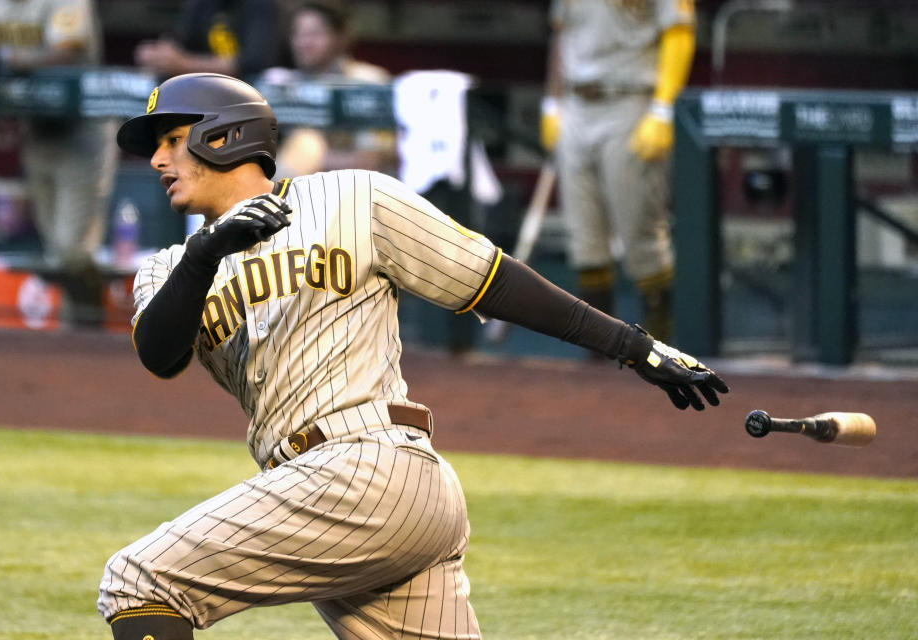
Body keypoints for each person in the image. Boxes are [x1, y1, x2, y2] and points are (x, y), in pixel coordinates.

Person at [97, 72, 728, 640]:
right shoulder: (170, 270)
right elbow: (160, 353)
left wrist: (633, 346)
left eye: (171, 139)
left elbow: (494, 280)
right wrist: (208, 251)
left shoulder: (354, 198)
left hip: (368, 467)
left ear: (223, 136)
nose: (156, 159)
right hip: (351, 492)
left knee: (138, 581)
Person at [541, 0, 696, 342]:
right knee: (584, 238)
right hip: (576, 106)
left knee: (640, 232)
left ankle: (661, 346)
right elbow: (562, 36)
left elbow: (679, 31)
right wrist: (551, 102)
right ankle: (597, 350)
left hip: (630, 102)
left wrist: (664, 107)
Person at [0, 0, 118, 326]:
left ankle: (94, 324)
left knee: (72, 251)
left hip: (82, 128)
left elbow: (66, 52)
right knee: (56, 252)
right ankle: (79, 333)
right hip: (37, 131)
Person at [269, 0, 395, 176]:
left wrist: (307, 157)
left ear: (341, 38)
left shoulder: (368, 81)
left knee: (306, 143)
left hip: (363, 190)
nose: (304, 43)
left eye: (314, 34)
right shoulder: (284, 84)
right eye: (298, 34)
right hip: (307, 190)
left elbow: (370, 161)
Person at [133, 0, 292, 81]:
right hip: (200, 95)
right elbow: (178, 42)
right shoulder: (203, 4)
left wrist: (183, 64)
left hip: (253, 104)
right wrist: (157, 55)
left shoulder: (263, 6)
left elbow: (251, 65)